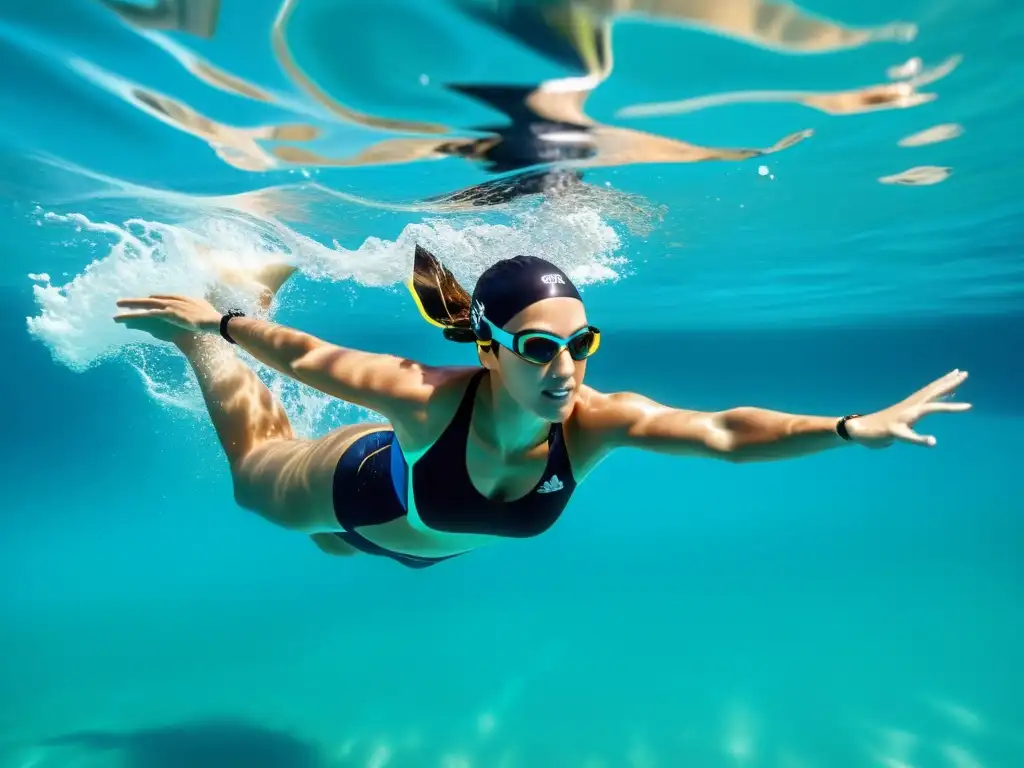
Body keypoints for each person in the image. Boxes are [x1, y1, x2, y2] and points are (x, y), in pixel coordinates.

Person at [113, 247, 971, 568]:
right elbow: (312, 357)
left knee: (352, 557)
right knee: (255, 483)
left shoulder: (596, 420)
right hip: (369, 486)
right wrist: (219, 322)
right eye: (538, 347)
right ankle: (226, 303)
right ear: (487, 348)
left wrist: (847, 428)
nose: (566, 368)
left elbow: (721, 432)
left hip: (427, 543)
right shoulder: (424, 397)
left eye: (580, 342)